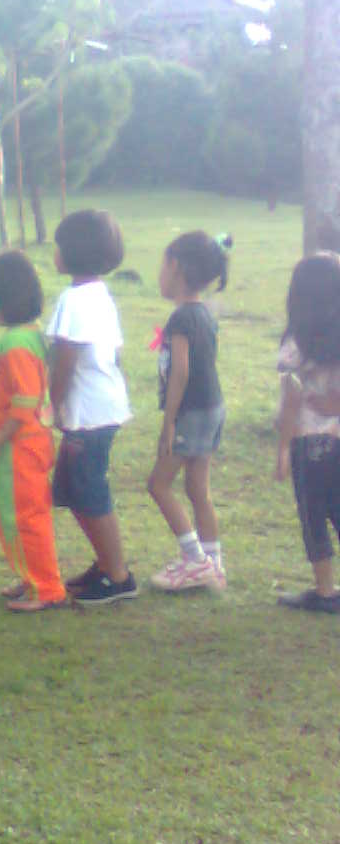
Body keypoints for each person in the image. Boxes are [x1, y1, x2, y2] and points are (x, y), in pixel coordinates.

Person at [47, 209, 137, 607]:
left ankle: (118, 575)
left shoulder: (74, 299)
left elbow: (65, 357)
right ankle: (105, 564)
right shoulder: (99, 293)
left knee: (89, 492)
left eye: (58, 246)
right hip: (102, 406)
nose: (55, 253)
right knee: (74, 491)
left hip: (87, 414)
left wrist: (52, 403)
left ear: (72, 252)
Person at [0, 251, 65, 613]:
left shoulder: (14, 344)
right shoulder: (31, 335)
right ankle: (31, 577)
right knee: (17, 513)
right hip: (26, 443)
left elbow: (26, 399)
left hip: (19, 447)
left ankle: (46, 588)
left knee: (24, 516)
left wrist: (0, 436)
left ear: (3, 300)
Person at [146, 232, 232, 592]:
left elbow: (181, 371)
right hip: (213, 409)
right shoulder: (203, 313)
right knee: (198, 488)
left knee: (158, 484)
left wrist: (169, 424)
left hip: (191, 413)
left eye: (163, 264)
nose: (160, 273)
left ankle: (196, 561)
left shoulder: (181, 318)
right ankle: (214, 563)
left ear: (176, 266)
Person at [275, 253, 340, 612]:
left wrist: (282, 449)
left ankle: (326, 590)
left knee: (313, 515)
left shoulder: (298, 342)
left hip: (308, 442)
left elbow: (291, 399)